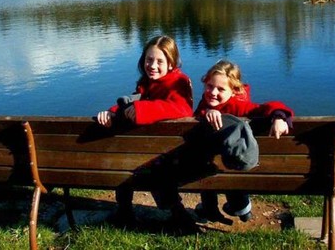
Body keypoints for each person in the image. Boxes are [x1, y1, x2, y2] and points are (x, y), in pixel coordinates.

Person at [95, 35, 194, 229]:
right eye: (149, 60)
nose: (153, 66)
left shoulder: (179, 83)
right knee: (128, 158)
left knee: (130, 160)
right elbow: (135, 101)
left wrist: (142, 110)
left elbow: (182, 109)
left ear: (171, 63)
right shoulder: (147, 83)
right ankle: (129, 211)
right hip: (154, 153)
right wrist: (112, 112)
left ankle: (173, 213)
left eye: (159, 61)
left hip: (171, 156)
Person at [194, 59, 294, 222]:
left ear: (234, 91)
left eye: (220, 89)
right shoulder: (205, 104)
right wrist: (207, 112)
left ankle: (221, 207)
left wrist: (279, 116)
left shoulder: (239, 107)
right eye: (209, 86)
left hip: (231, 162)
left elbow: (270, 106)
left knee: (219, 163)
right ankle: (239, 208)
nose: (212, 92)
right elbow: (197, 117)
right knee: (213, 162)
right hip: (223, 163)